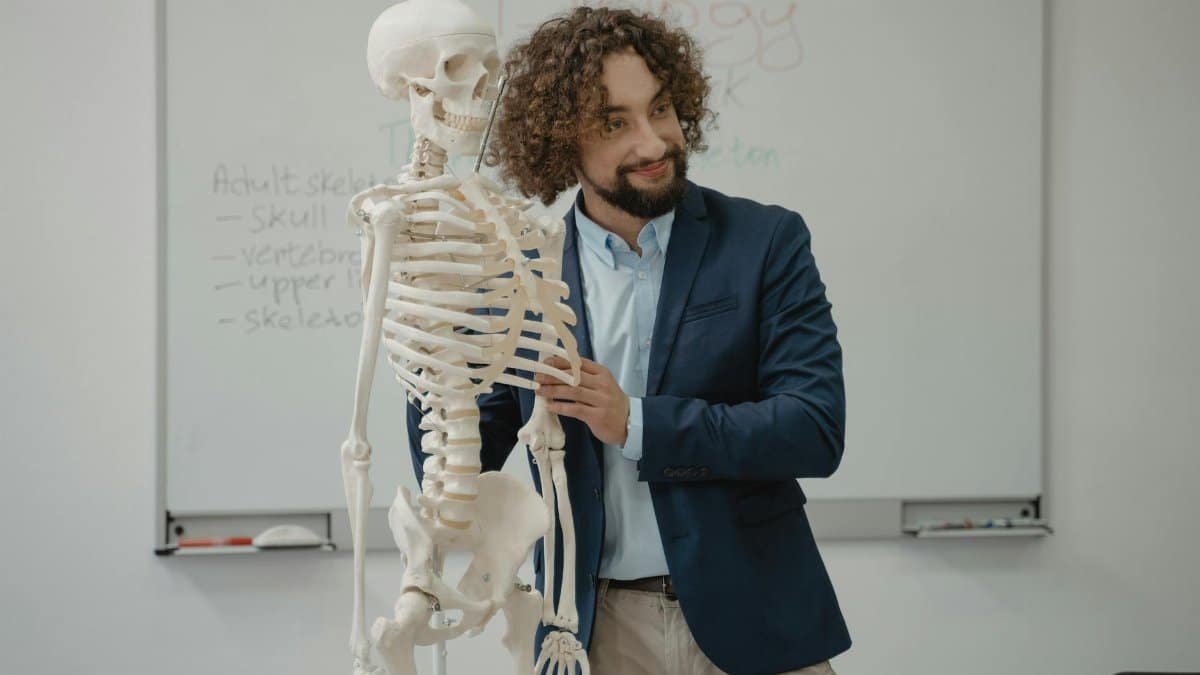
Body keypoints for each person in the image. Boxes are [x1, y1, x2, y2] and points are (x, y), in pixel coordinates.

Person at [407, 6, 850, 674]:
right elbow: (459, 463)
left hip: (757, 622)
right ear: (562, 143)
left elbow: (813, 428)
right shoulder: (520, 274)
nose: (652, 143)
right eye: (615, 123)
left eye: (662, 109)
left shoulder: (766, 242)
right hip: (591, 631)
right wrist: (428, 339)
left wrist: (635, 420)